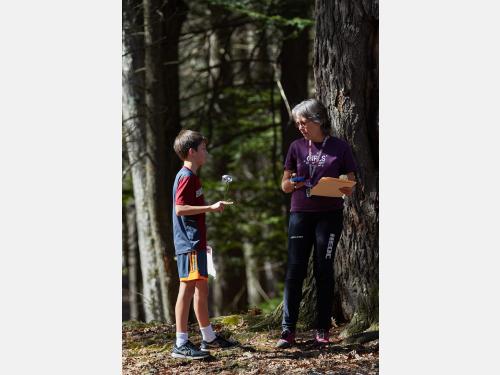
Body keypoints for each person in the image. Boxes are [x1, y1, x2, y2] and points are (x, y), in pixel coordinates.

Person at [276, 99, 357, 348]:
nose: (300, 127)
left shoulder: (339, 147)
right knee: (295, 270)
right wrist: (294, 184)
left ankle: (322, 329)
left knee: (324, 270)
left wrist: (336, 185)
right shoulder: (296, 147)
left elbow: (350, 184)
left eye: (303, 122)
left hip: (329, 215)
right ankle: (287, 330)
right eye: (297, 123)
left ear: (318, 120)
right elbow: (284, 184)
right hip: (300, 214)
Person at [171, 129, 238, 359]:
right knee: (187, 288)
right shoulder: (185, 176)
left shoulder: (193, 176)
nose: (206, 152)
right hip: (188, 243)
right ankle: (180, 343)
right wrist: (209, 207)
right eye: (203, 148)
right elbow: (179, 209)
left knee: (202, 287)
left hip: (197, 242)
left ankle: (208, 337)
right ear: (192, 152)